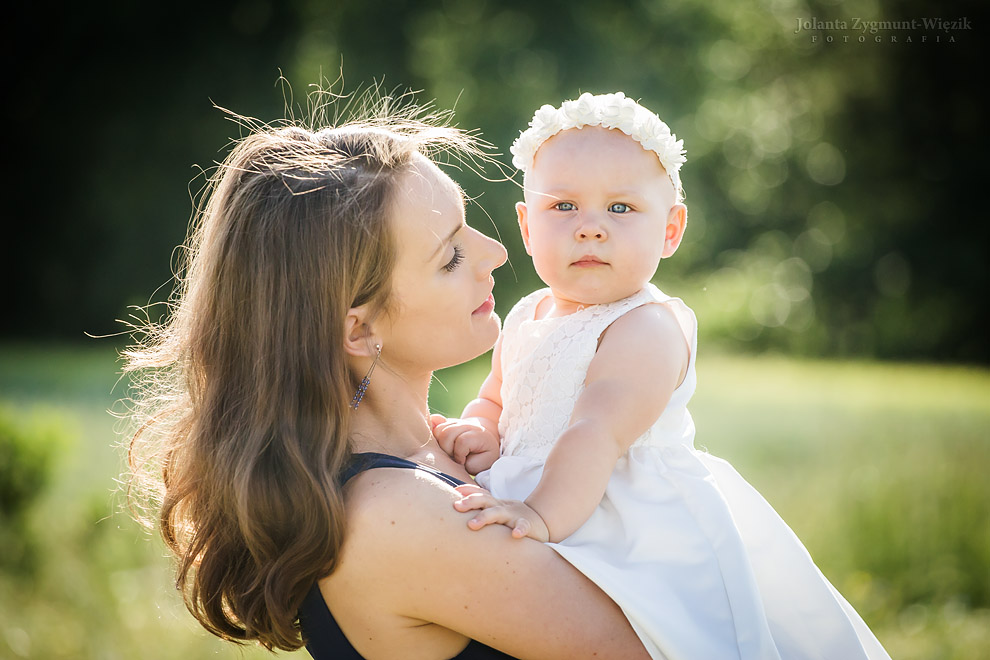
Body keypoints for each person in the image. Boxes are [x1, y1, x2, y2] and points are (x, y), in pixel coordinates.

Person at [123, 97, 653, 660]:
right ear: (359, 328)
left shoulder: (451, 453)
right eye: (450, 255)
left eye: (468, 224)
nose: (495, 253)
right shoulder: (397, 517)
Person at [432, 92, 891, 660]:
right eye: (564, 207)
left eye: (620, 209)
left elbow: (595, 434)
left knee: (671, 639)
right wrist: (479, 429)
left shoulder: (644, 327)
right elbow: (495, 399)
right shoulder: (528, 313)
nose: (591, 229)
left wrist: (539, 515)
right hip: (546, 502)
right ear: (527, 227)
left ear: (671, 230)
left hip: (627, 525)